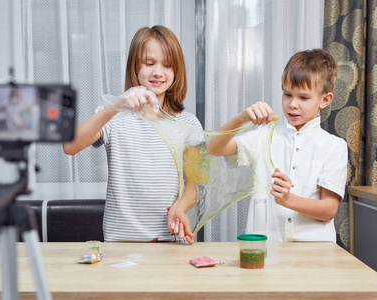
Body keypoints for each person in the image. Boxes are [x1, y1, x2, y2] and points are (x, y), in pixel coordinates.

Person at [63, 25, 201, 244]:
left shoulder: (188, 124)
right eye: (149, 63)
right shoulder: (113, 117)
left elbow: (192, 189)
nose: (158, 72)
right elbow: (70, 146)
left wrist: (180, 207)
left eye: (167, 65)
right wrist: (115, 106)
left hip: (168, 242)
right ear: (135, 67)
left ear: (177, 71)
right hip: (119, 244)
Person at [206, 49, 348, 242]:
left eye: (303, 98)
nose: (292, 104)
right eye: (287, 94)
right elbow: (213, 148)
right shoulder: (264, 137)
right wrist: (241, 119)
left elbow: (329, 210)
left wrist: (288, 200)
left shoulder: (334, 146)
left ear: (325, 100)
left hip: (315, 254)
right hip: (264, 249)